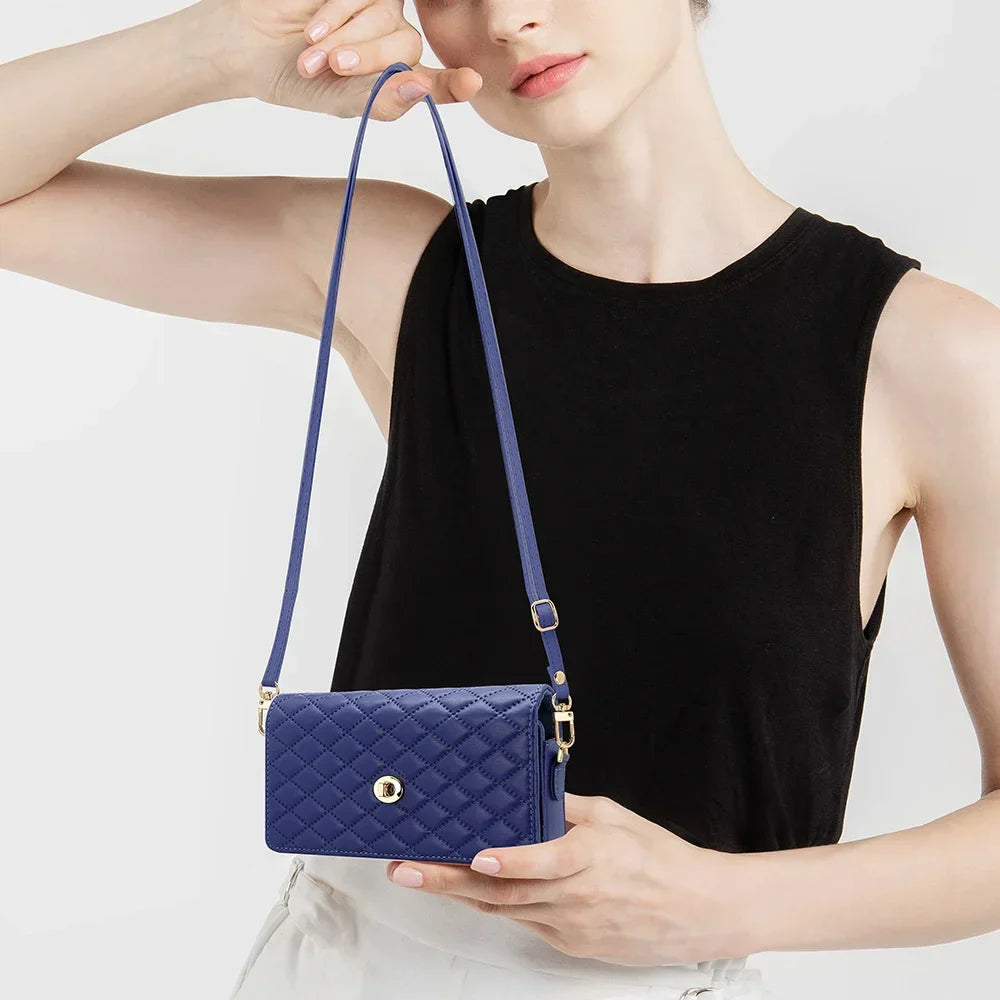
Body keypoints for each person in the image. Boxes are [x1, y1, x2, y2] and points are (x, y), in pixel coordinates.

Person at [2, 1, 998, 999]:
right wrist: (219, 50)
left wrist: (725, 903)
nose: (510, 17)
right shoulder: (402, 268)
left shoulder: (929, 355)